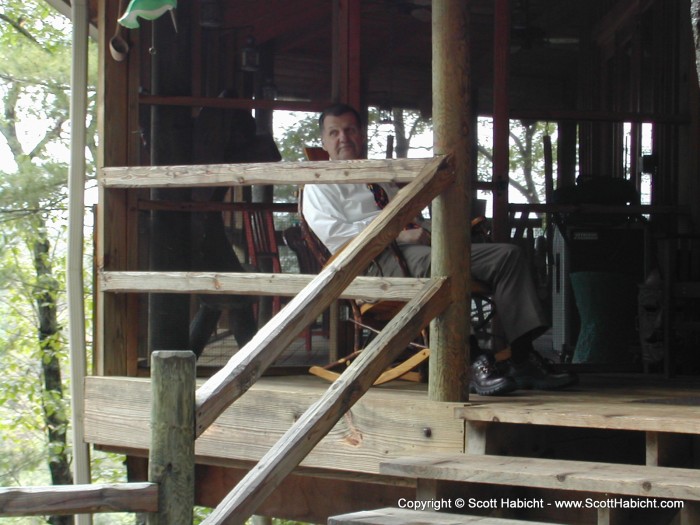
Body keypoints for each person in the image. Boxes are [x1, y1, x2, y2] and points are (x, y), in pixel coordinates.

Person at [302, 103, 576, 395]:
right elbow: (337, 237)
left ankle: (523, 358)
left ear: (361, 134)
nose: (343, 137)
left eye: (350, 130)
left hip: (415, 252)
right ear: (324, 140)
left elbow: (411, 217)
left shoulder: (376, 175)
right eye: (334, 132)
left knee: (508, 256)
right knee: (443, 263)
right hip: (373, 262)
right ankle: (469, 361)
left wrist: (432, 230)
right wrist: (399, 236)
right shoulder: (319, 184)